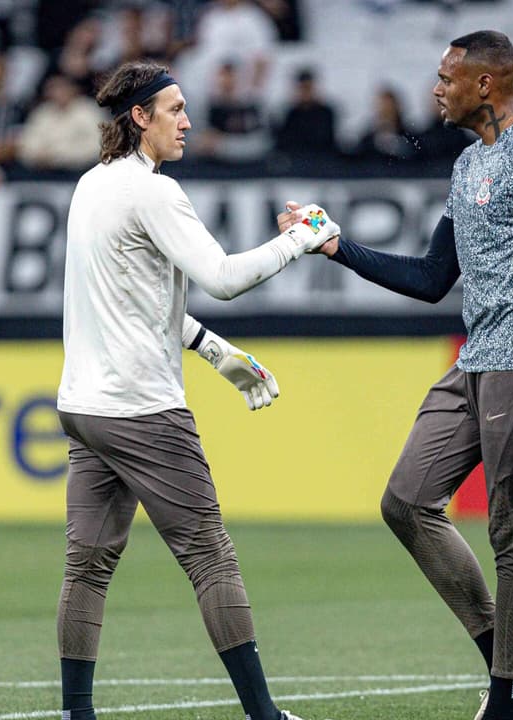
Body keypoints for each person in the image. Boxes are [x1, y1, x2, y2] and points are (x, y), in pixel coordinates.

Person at [280, 31, 513, 720]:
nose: (436, 88)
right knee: (406, 501)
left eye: (446, 77)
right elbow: (432, 279)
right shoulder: (467, 166)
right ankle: (507, 659)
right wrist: (336, 246)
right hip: (475, 358)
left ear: (485, 84)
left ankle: (507, 697)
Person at [53, 60, 337, 720]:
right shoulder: (154, 192)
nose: (187, 120)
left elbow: (135, 301)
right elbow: (224, 277)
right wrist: (303, 236)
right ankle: (264, 715)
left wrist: (213, 350)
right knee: (210, 556)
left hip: (85, 408)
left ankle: (76, 713)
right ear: (140, 119)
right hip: (143, 409)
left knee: (87, 566)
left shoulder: (92, 186)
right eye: (174, 109)